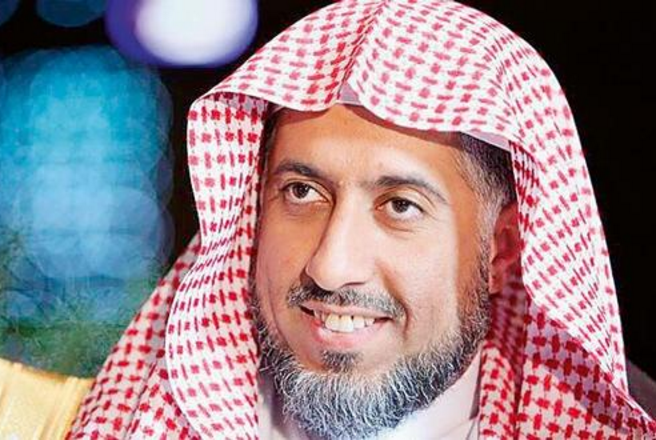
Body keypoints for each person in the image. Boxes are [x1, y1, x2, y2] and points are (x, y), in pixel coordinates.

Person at [68, 0, 656, 438]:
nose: (331, 266)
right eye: (302, 192)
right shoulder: (108, 419)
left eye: (400, 205)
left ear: (502, 250)